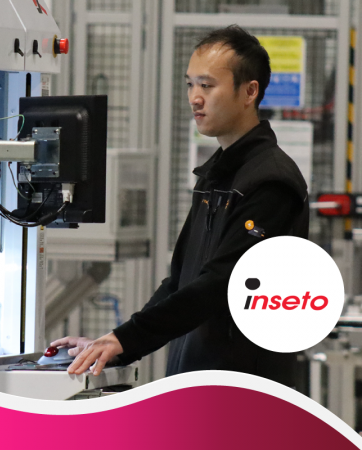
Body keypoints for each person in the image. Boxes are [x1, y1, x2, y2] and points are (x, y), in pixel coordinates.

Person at [51, 25, 309, 387]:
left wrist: (128, 338)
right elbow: (180, 281)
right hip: (197, 380)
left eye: (207, 85)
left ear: (249, 91)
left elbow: (222, 283)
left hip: (243, 387)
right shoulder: (215, 177)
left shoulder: (270, 182)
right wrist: (115, 344)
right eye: (190, 84)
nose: (195, 98)